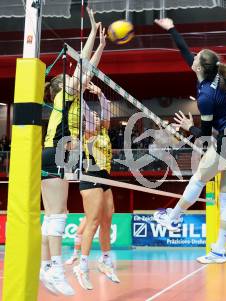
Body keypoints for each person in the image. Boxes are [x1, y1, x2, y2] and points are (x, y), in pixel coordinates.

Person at [152, 18, 226, 264]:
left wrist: (190, 127)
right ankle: (219, 251)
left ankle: (173, 217)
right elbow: (184, 51)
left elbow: (208, 134)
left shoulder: (207, 97)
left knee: (199, 178)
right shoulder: (211, 76)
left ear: (199, 67)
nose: (193, 57)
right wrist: (172, 28)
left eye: (197, 57)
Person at [40, 8, 103, 296]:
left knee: (56, 213)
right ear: (58, 88)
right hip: (54, 154)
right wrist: (91, 33)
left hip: (55, 154)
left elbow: (86, 69)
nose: (74, 80)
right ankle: (55, 268)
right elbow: (81, 65)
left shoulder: (67, 101)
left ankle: (46, 268)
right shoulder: (63, 95)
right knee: (57, 216)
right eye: (68, 80)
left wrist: (100, 46)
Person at [73, 82, 120, 289]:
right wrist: (80, 93)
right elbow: (86, 111)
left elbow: (106, 110)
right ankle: (82, 266)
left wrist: (101, 94)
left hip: (104, 177)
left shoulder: (104, 132)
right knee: (92, 221)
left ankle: (105, 259)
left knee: (107, 218)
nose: (97, 116)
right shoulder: (88, 135)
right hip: (90, 175)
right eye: (92, 117)